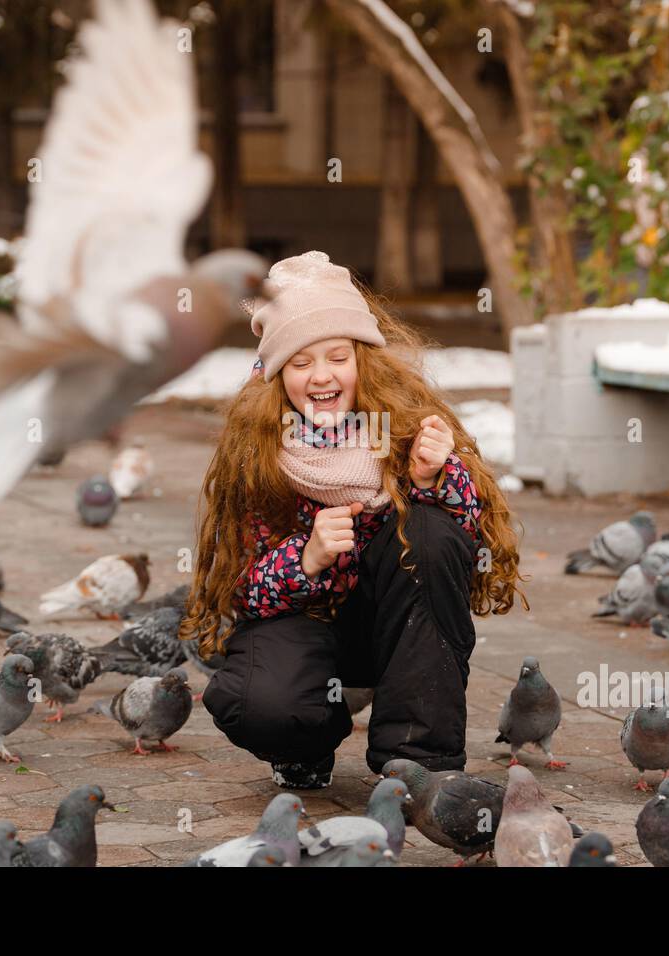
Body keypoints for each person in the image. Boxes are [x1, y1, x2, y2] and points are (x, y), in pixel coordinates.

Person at [179, 251, 526, 788]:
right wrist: (306, 559)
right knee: (259, 704)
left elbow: (472, 548)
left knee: (431, 535)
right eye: (300, 362)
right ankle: (307, 740)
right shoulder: (256, 450)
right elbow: (239, 590)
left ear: (363, 359)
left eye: (337, 356)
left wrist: (435, 480)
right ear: (276, 374)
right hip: (304, 627)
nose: (321, 376)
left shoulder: (404, 422)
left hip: (395, 625)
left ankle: (419, 763)